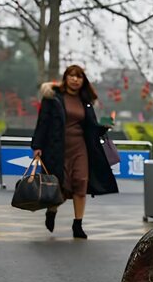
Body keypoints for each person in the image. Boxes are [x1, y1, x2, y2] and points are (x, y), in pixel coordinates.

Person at [31, 64, 118, 239]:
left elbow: (91, 127)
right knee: (60, 187)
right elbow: (43, 122)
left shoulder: (85, 101)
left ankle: (77, 224)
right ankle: (52, 209)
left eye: (79, 76)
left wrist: (104, 127)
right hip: (57, 148)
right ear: (66, 77)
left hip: (80, 147)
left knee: (81, 182)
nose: (75, 79)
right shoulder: (53, 98)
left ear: (83, 80)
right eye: (71, 75)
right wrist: (37, 146)